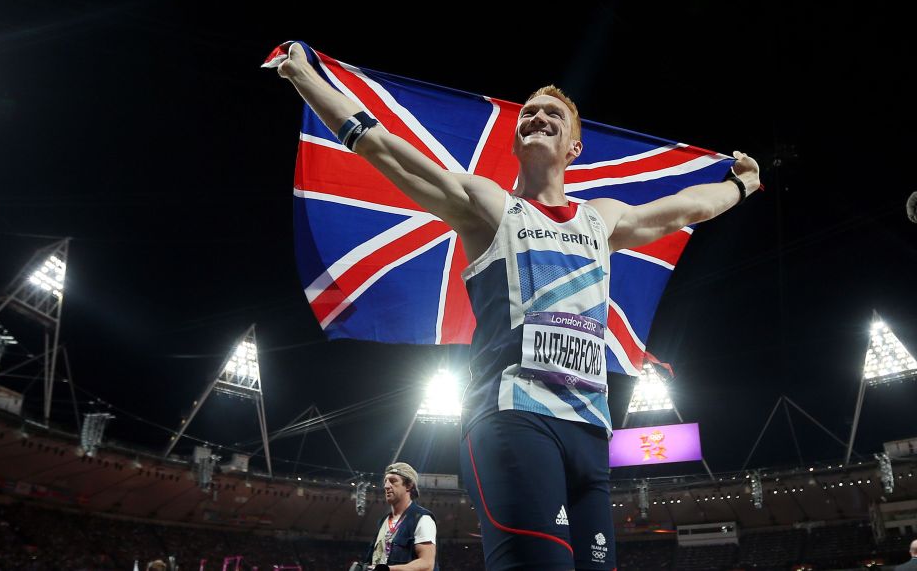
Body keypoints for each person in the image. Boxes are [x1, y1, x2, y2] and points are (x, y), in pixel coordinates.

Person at [272, 42, 760, 570]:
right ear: (516, 137)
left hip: (591, 432)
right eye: (529, 112)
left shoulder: (603, 219)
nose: (538, 116)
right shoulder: (491, 207)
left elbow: (686, 208)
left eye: (554, 114)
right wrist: (304, 77)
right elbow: (385, 151)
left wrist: (740, 185)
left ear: (574, 147)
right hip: (512, 419)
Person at [361, 462, 438, 571]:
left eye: (393, 481)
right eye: (385, 481)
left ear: (409, 485)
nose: (386, 486)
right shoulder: (384, 521)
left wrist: (388, 570)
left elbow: (427, 565)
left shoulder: (422, 519)